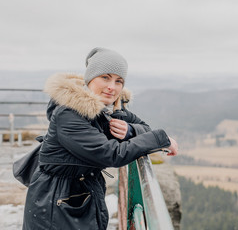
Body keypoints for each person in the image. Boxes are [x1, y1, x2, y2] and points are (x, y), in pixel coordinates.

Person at [22, 47, 178, 229]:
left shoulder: (106, 109)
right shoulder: (68, 114)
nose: (112, 87)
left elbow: (144, 127)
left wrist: (129, 130)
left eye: (119, 81)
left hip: (81, 195)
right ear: (89, 78)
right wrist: (162, 139)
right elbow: (111, 154)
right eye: (105, 77)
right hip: (55, 203)